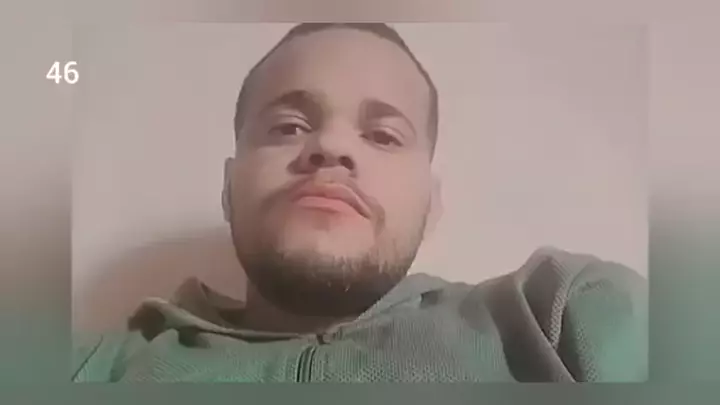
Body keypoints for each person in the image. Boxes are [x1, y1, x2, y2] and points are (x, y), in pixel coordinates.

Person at [72, 23, 647, 383]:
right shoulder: (90, 370)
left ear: (432, 204)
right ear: (228, 189)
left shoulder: (563, 315)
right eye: (289, 126)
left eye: (383, 135)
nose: (331, 147)